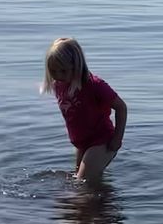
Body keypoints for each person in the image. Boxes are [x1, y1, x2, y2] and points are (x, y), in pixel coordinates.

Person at [43, 37, 127, 181]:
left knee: (82, 186)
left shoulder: (94, 85)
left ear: (76, 66)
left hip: (102, 141)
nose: (58, 76)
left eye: (63, 71)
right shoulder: (59, 84)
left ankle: (93, 202)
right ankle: (104, 200)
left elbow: (121, 107)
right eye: (53, 71)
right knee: (81, 181)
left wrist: (117, 139)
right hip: (82, 143)